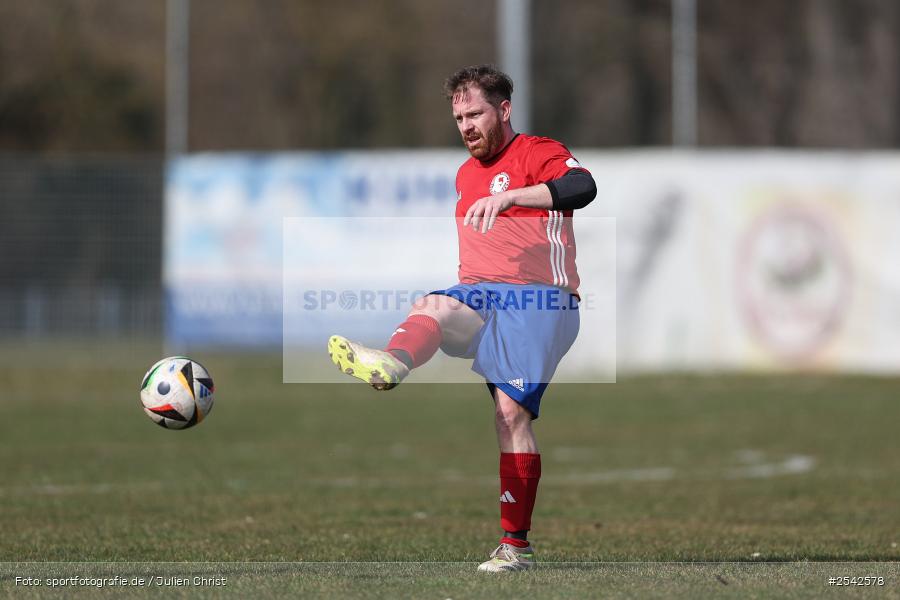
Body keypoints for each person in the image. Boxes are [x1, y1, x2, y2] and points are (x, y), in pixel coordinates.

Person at [328, 64, 596, 572]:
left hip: (541, 301)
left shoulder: (537, 153)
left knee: (509, 416)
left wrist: (513, 196)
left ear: (504, 109)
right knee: (431, 306)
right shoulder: (464, 174)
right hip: (481, 297)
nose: (467, 125)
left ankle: (515, 547)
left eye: (475, 113)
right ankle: (393, 362)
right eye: (459, 117)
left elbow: (583, 187)